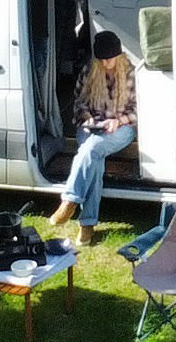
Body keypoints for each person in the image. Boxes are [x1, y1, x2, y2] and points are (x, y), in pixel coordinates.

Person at [49, 27, 136, 240]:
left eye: (110, 59)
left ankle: (70, 200)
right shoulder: (90, 69)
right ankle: (87, 224)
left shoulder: (130, 73)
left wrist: (118, 120)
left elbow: (137, 111)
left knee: (89, 150)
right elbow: (78, 102)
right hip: (92, 126)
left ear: (118, 55)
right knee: (93, 159)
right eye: (102, 60)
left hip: (121, 129)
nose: (106, 63)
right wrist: (87, 116)